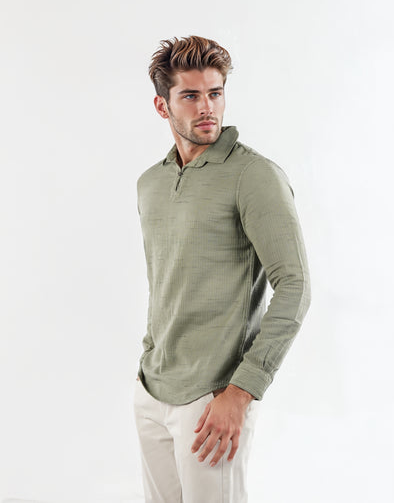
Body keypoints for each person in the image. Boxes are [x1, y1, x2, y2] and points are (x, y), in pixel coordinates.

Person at [133, 35, 311, 503]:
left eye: (215, 93)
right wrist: (148, 357)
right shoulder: (150, 183)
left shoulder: (254, 175)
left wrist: (241, 392)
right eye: (191, 96)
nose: (207, 107)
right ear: (162, 105)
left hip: (212, 398)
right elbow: (163, 281)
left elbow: (294, 286)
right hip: (152, 392)